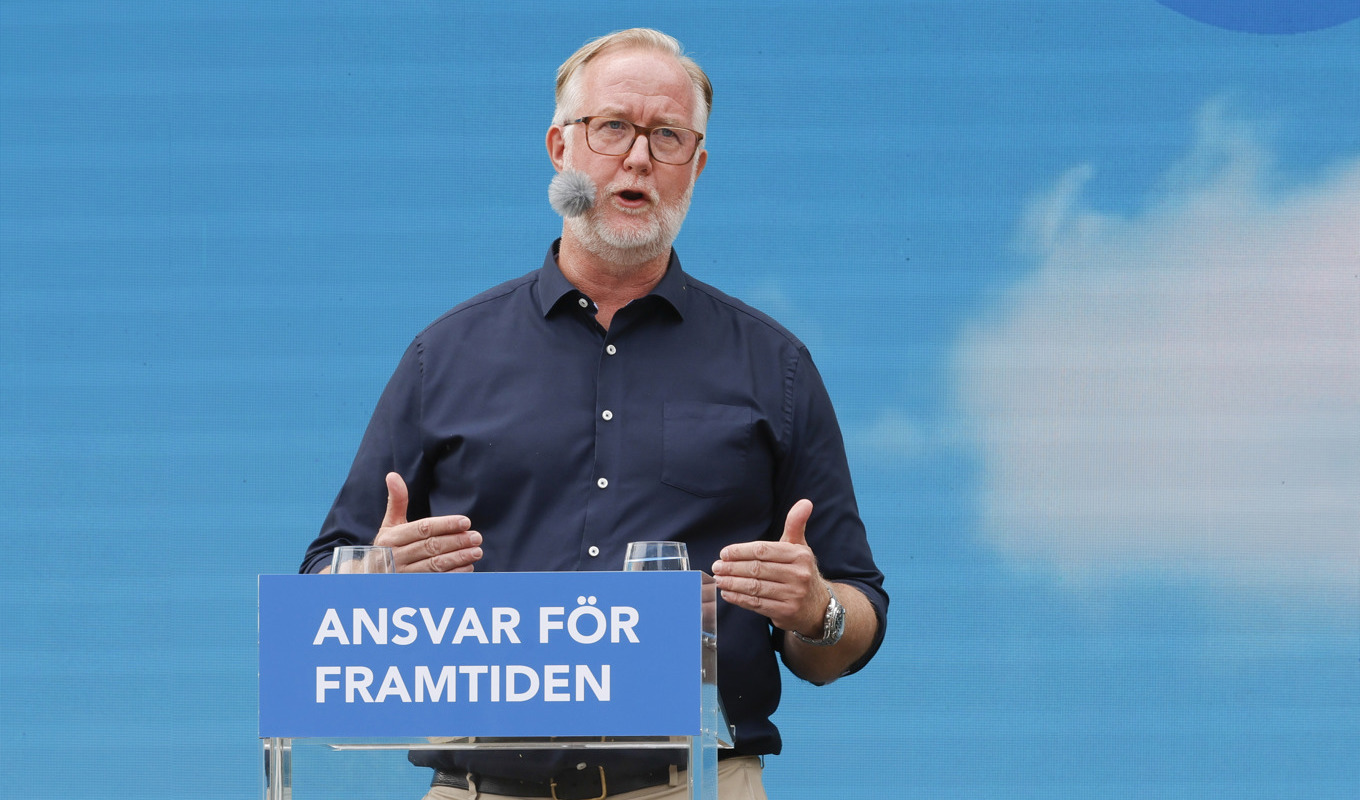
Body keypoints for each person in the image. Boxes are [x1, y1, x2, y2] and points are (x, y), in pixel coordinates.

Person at [301, 28, 888, 800]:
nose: (638, 157)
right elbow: (324, 590)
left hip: (696, 781)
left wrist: (817, 612)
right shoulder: (444, 356)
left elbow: (852, 611)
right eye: (612, 127)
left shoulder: (773, 366)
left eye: (668, 136)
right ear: (559, 145)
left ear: (697, 168)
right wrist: (373, 579)